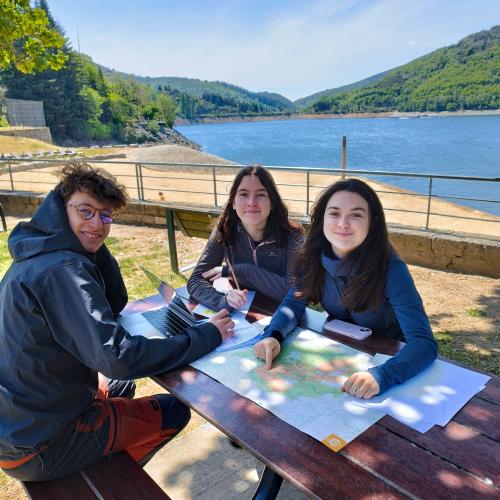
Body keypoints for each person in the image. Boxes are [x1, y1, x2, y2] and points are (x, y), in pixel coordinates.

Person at [0, 162, 234, 482]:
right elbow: (118, 359)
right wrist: (206, 335)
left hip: (22, 418)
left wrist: (91, 239)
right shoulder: (63, 269)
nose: (98, 223)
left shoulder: (42, 252)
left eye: (106, 215)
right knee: (174, 411)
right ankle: (111, 475)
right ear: (57, 209)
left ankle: (102, 449)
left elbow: (115, 303)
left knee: (122, 387)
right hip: (40, 445)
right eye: (86, 211)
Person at [254, 178, 438, 399]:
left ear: (373, 222)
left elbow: (423, 342)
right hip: (339, 358)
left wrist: (383, 376)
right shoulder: (311, 257)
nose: (343, 223)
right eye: (334, 213)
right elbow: (293, 303)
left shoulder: (392, 270)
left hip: (389, 363)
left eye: (356, 214)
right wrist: (273, 335)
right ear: (322, 219)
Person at [187, 165, 304, 311]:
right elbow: (196, 280)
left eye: (261, 195)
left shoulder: (292, 236)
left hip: (281, 315)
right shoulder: (224, 230)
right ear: (233, 202)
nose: (251, 202)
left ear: (272, 202)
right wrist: (223, 301)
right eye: (243, 194)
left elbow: (296, 292)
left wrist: (241, 271)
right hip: (243, 314)